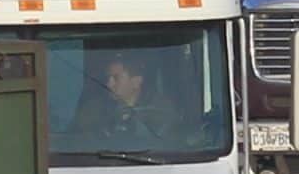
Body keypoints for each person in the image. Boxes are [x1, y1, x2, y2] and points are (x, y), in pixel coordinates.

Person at [63, 45, 203, 159]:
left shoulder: (162, 110)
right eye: (108, 77)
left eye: (116, 78)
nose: (108, 83)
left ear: (136, 81)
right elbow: (75, 141)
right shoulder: (93, 110)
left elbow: (173, 143)